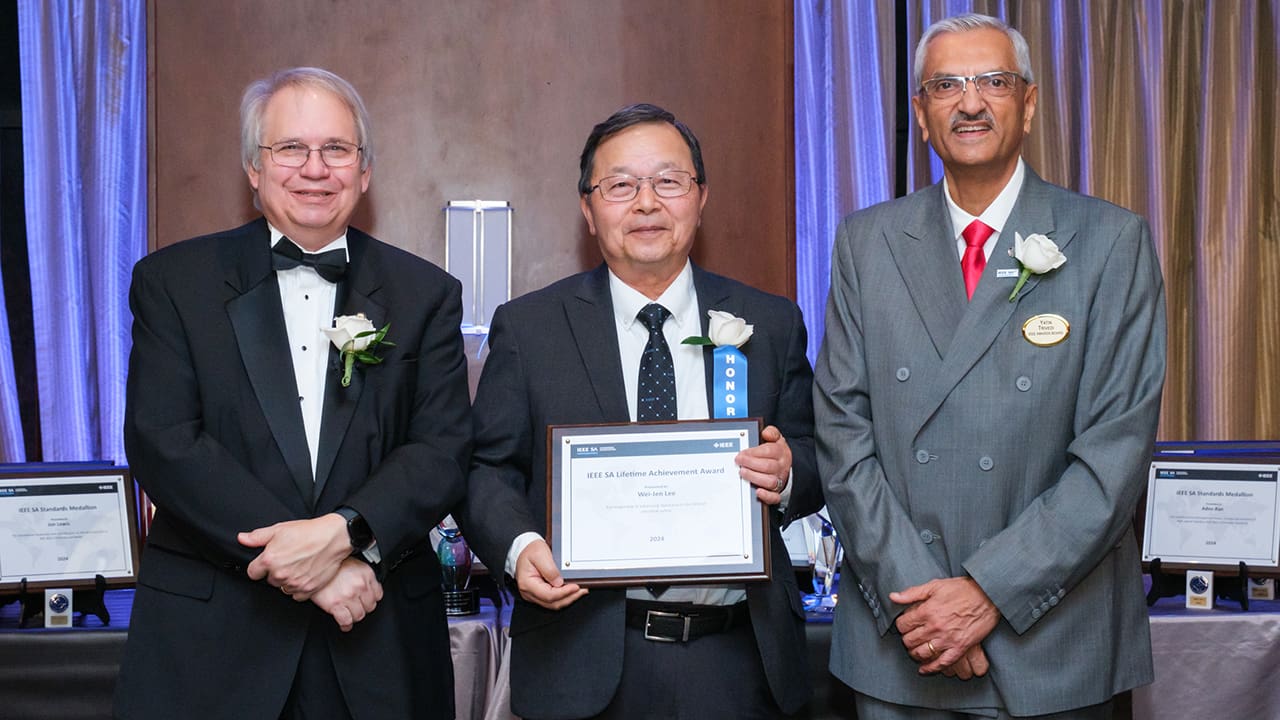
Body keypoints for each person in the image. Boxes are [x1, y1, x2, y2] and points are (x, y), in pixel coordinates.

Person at [815, 14, 1166, 720]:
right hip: (903, 641)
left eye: (992, 82)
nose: (969, 103)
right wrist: (924, 606)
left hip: (1057, 645)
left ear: (1028, 104)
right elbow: (841, 437)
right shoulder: (866, 242)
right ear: (920, 114)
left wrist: (986, 594)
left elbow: (1113, 456)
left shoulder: (1109, 242)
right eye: (945, 85)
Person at [114, 67, 471, 719]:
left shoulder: (425, 294)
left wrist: (345, 534)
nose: (315, 168)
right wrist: (309, 566)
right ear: (254, 168)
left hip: (377, 642)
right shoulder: (173, 282)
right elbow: (164, 441)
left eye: (337, 149)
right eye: (290, 149)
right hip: (212, 644)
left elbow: (441, 450)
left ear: (364, 172)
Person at [458, 103, 821, 719]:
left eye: (668, 181)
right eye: (620, 185)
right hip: (583, 653)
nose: (646, 203)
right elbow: (484, 470)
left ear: (700, 198)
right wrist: (519, 549)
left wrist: (787, 475)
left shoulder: (772, 322)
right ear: (588, 207)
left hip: (740, 660)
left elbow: (818, 458)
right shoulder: (529, 328)